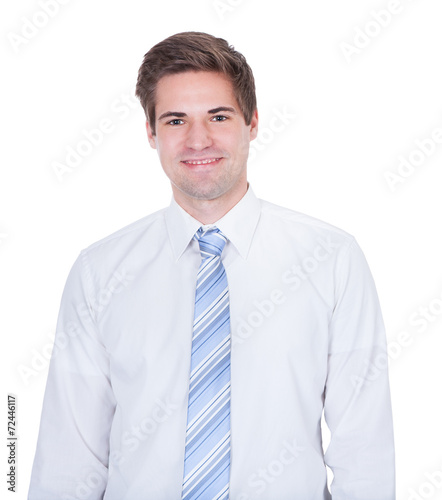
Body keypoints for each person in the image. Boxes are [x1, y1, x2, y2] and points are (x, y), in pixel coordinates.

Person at [28, 31, 395, 499]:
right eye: (176, 119)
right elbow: (68, 457)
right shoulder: (99, 272)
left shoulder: (331, 260)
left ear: (253, 122)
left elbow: (364, 451)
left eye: (218, 116)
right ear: (150, 132)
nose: (198, 139)